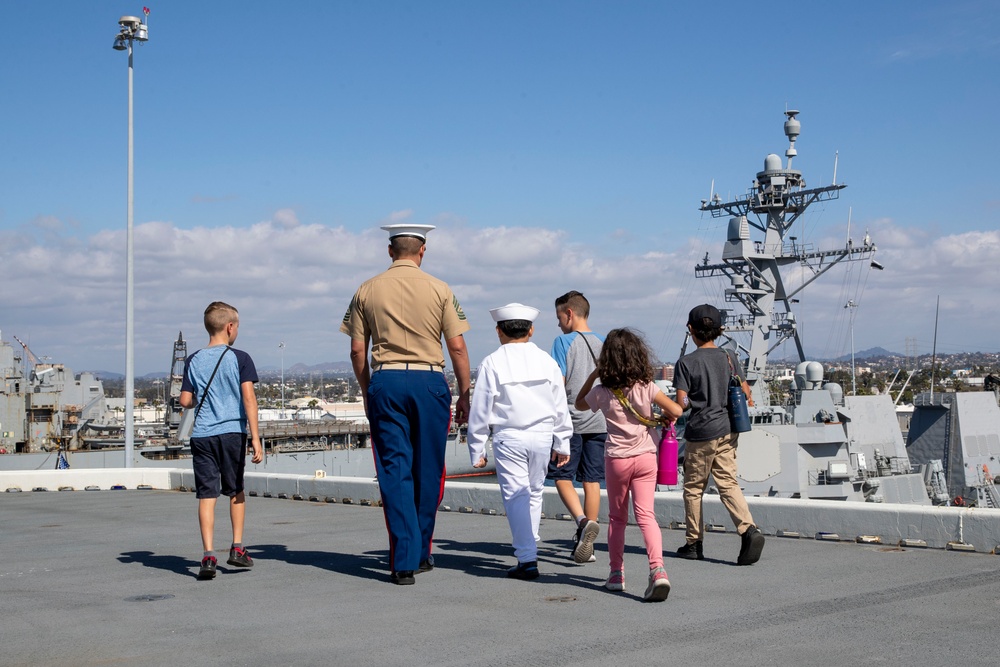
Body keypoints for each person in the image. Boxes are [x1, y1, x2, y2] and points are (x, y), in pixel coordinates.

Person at [340, 223, 472, 586]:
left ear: (389, 251)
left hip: (387, 380)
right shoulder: (440, 288)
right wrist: (464, 392)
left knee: (393, 469)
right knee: (429, 469)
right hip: (430, 381)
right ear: (422, 251)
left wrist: (369, 390)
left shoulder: (366, 289)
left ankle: (403, 560)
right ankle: (424, 551)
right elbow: (457, 346)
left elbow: (356, 350)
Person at [467, 303, 572, 580]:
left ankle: (527, 558)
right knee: (534, 492)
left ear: (499, 331)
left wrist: (477, 448)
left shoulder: (491, 362)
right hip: (542, 435)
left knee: (516, 495)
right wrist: (563, 442)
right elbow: (560, 405)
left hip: (509, 436)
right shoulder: (547, 362)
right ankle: (530, 544)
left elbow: (480, 409)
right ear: (531, 330)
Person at [576, 328, 683, 602]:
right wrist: (658, 416)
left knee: (617, 518)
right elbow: (677, 411)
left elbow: (578, 403)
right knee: (646, 516)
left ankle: (615, 574)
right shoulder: (648, 387)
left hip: (617, 459)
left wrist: (594, 374)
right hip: (647, 457)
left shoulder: (602, 392)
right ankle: (658, 570)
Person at [674, 304, 764, 565]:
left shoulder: (686, 363)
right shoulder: (729, 356)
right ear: (718, 330)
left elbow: (681, 403)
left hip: (701, 432)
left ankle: (694, 542)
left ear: (691, 329)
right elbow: (746, 392)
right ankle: (748, 530)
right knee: (728, 483)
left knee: (693, 488)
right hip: (727, 431)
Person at [179, 301, 263, 581]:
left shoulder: (193, 360)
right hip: (231, 434)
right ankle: (237, 548)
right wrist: (256, 438)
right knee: (236, 490)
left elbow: (185, 400)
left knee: (206, 495)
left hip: (202, 435)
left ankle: (207, 555)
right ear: (230, 327)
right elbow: (249, 399)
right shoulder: (240, 358)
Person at [547, 291, 607, 564]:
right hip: (600, 420)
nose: (558, 323)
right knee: (591, 480)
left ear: (569, 313)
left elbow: (557, 385)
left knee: (561, 476)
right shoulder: (604, 343)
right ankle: (589, 545)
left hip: (570, 422)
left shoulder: (562, 342)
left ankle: (583, 523)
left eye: (559, 317)